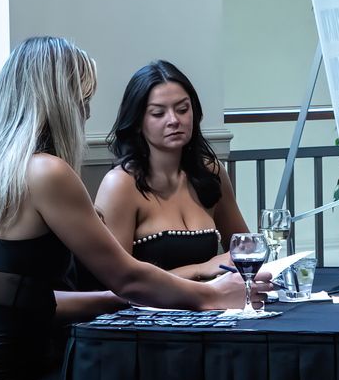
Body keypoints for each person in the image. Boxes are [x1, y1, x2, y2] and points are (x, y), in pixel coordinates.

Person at [0, 37, 250, 380]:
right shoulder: (46, 172)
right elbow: (126, 276)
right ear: (58, 100)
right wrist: (210, 296)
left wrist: (121, 301)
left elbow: (32, 300)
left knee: (142, 370)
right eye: (82, 98)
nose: (85, 111)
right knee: (160, 376)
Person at [93, 61, 248, 278]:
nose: (174, 120)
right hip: (146, 302)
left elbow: (245, 249)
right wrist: (199, 269)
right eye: (158, 113)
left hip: (216, 298)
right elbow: (119, 282)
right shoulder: (120, 183)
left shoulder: (211, 171)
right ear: (137, 122)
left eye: (183, 109)